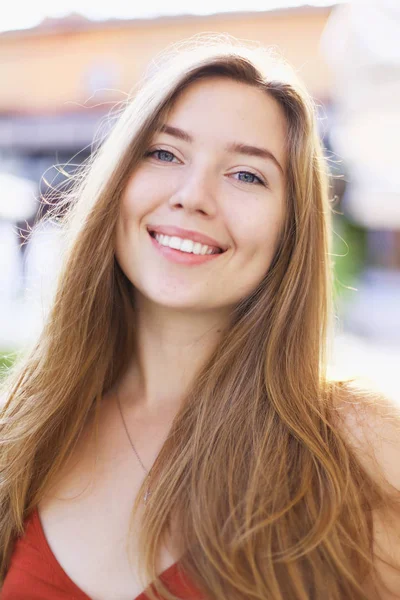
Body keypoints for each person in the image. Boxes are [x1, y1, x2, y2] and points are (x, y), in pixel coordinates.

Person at [0, 33, 399, 600]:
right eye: (164, 154)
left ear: (291, 228)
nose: (193, 196)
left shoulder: (356, 447)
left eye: (246, 175)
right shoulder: (27, 425)